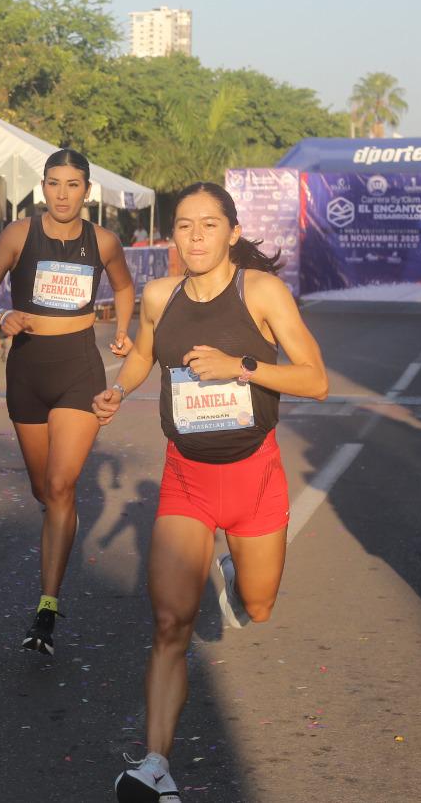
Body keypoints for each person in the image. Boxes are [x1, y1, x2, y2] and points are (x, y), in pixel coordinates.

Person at [91, 182, 327, 802]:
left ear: (230, 231)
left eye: (208, 226)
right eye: (185, 227)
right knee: (170, 623)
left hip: (255, 476)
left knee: (259, 605)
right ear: (173, 235)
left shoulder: (262, 291)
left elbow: (316, 379)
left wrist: (241, 367)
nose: (195, 237)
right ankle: (156, 765)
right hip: (186, 479)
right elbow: (144, 355)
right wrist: (121, 386)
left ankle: (235, 565)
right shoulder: (160, 295)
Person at [0, 148, 135, 655]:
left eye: (73, 185)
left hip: (78, 368)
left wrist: (123, 331)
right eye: (55, 184)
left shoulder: (102, 240)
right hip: (28, 372)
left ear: (87, 190)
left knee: (62, 484)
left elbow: (125, 287)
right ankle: (60, 523)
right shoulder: (19, 235)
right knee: (46, 491)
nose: (63, 194)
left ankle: (47, 606)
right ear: (44, 187)